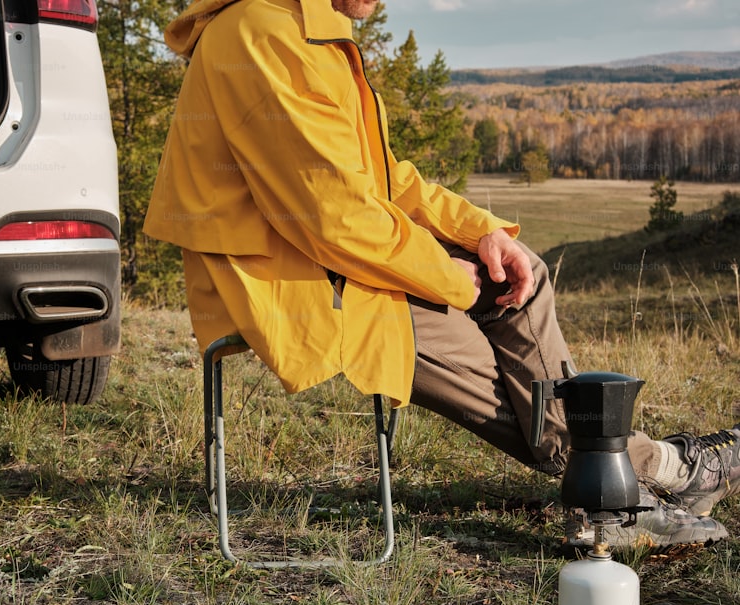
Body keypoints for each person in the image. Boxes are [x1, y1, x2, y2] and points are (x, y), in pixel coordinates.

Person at [142, 0, 740, 553]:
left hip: (336, 267)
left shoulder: (308, 32)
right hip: (291, 287)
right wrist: (454, 280)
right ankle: (633, 486)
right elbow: (333, 217)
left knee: (520, 270)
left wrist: (482, 233)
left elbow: (383, 182)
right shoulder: (264, 34)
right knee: (498, 367)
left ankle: (643, 473)